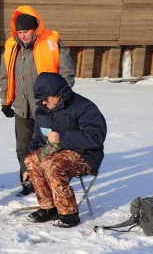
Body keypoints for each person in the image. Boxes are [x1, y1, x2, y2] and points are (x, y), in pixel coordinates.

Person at [0, 5, 76, 197]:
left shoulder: (52, 43)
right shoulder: (11, 47)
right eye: (20, 32)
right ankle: (29, 183)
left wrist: (58, 100)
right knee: (23, 148)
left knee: (48, 147)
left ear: (35, 29)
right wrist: (5, 100)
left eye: (27, 31)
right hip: (21, 107)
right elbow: (5, 77)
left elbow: (67, 75)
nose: (23, 35)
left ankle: (50, 182)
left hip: (46, 108)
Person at [24, 72, 107, 228]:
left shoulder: (84, 107)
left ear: (60, 94)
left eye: (47, 98)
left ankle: (69, 213)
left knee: (51, 163)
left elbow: (96, 136)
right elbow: (36, 140)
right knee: (32, 159)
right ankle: (48, 208)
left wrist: (62, 138)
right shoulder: (42, 110)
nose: (44, 102)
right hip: (55, 152)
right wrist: (27, 166)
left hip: (86, 155)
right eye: (41, 99)